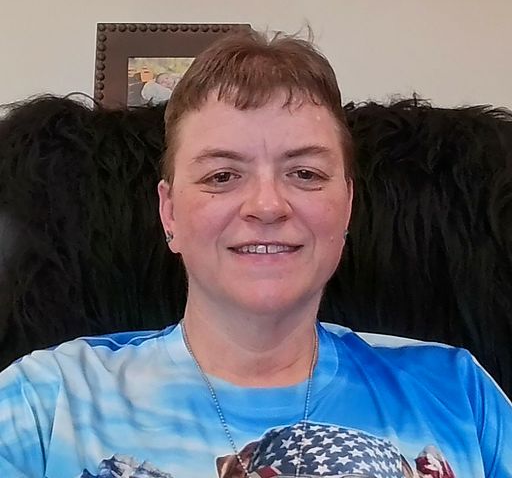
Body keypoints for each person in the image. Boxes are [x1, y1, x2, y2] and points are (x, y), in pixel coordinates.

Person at [0, 29, 511, 478]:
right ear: (169, 213)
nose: (267, 206)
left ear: (347, 207)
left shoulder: (458, 393)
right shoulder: (45, 401)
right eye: (222, 176)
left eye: (305, 174)